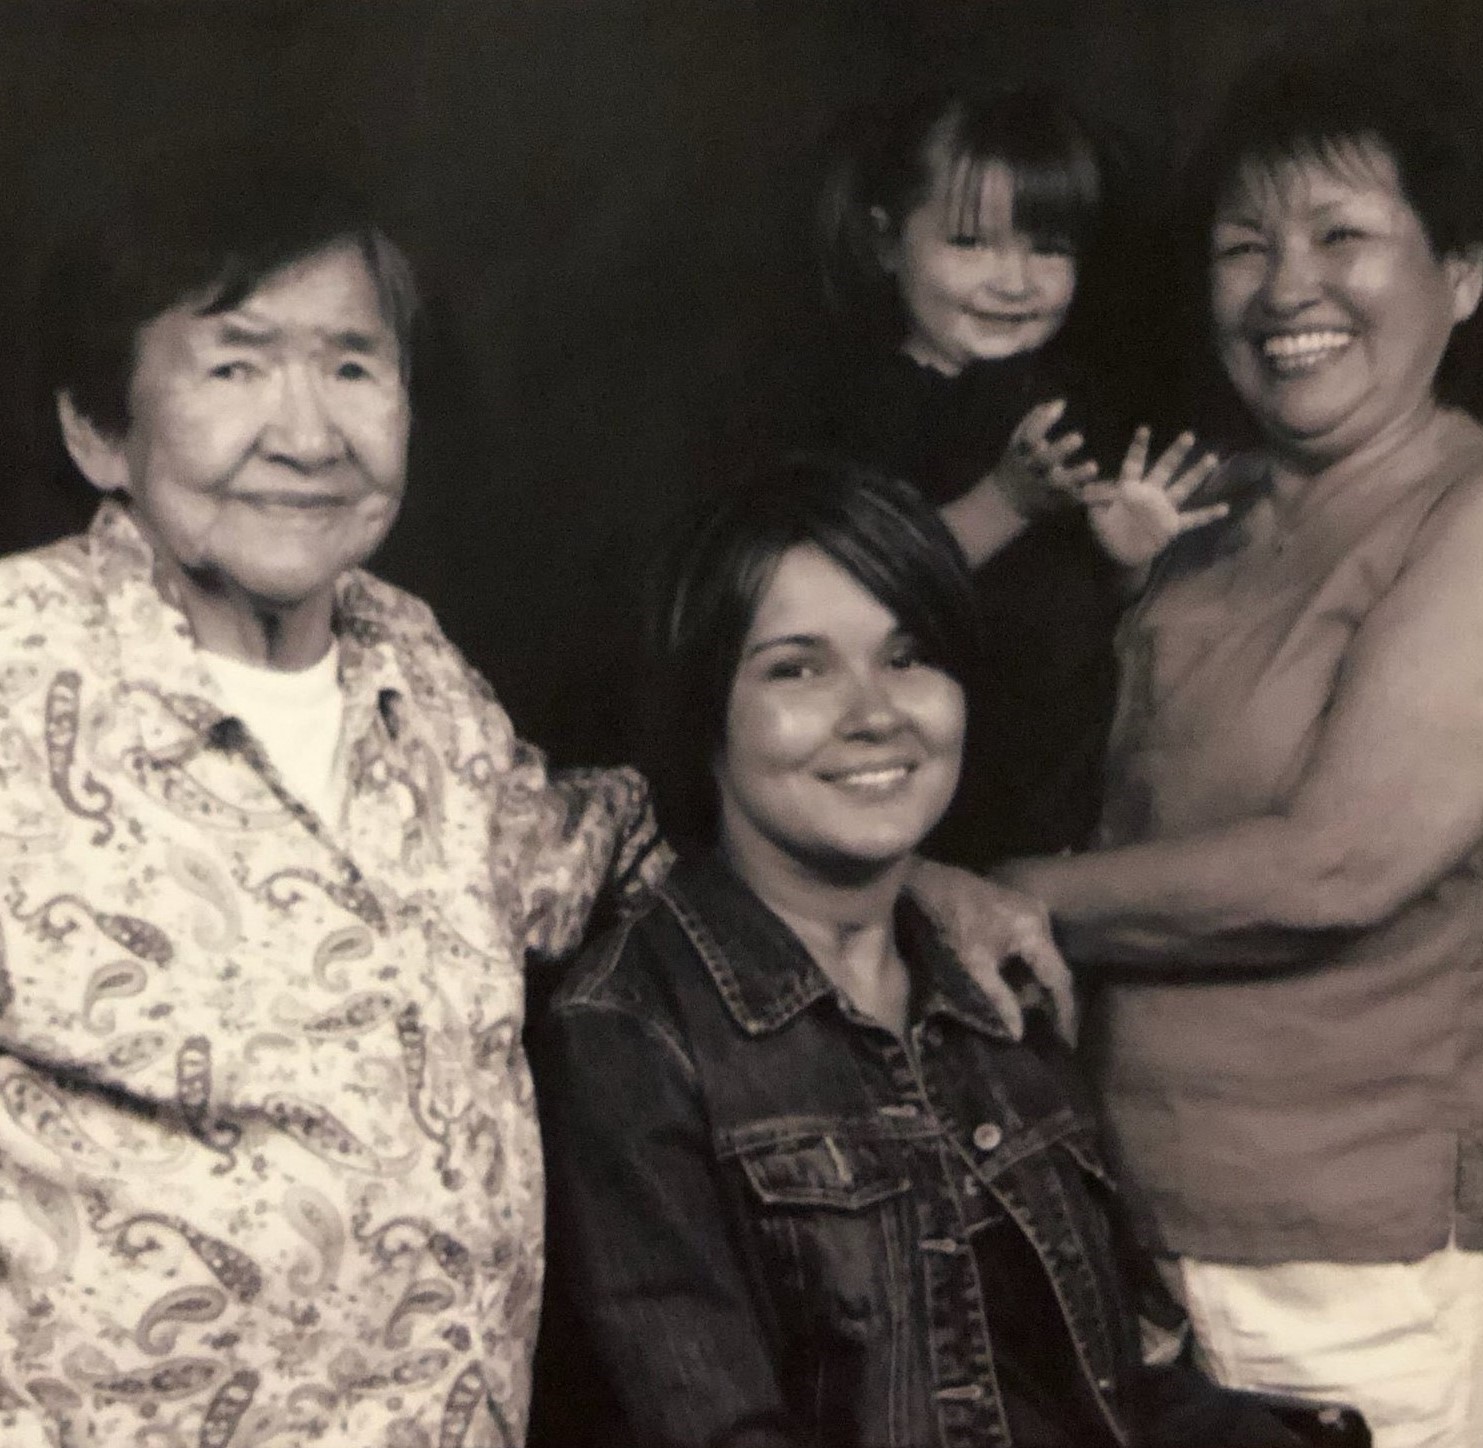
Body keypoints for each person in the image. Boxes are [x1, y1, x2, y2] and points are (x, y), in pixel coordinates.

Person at [0, 147, 1070, 1448]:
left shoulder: (418, 672)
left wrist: (918, 878)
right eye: (234, 366)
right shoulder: (20, 666)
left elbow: (610, 853)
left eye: (351, 365)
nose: (307, 431)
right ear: (96, 430)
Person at [531, 457, 1329, 1448]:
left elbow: (1112, 1382)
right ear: (706, 710)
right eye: (797, 666)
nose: (874, 710)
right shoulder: (631, 1029)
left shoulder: (995, 980)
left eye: (909, 654)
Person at [995, 36, 1483, 1447]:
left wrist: (999, 891)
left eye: (1341, 234)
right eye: (1240, 246)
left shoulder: (1462, 518)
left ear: (1458, 273)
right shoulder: (1191, 502)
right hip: (1123, 1235)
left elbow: (1337, 863)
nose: (1285, 289)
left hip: (1345, 1264)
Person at [811, 81, 1224, 868]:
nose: (1015, 280)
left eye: (1047, 248)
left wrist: (1123, 558)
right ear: (886, 242)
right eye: (970, 243)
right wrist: (1005, 501)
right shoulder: (867, 407)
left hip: (1064, 798)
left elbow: (1075, 597)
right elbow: (857, 594)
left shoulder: (1066, 399)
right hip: (930, 808)